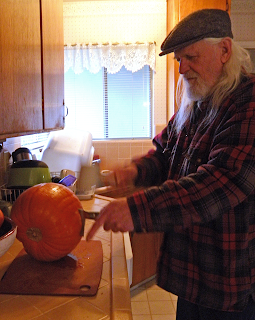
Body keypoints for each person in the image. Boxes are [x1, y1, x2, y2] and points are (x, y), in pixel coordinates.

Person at [87, 8, 255, 319]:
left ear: (224, 50)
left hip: (230, 285)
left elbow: (218, 184)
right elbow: (165, 153)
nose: (181, 69)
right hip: (194, 280)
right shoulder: (196, 103)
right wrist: (137, 170)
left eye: (190, 57)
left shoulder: (248, 104)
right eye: (179, 59)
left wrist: (137, 209)